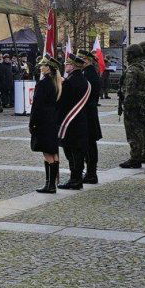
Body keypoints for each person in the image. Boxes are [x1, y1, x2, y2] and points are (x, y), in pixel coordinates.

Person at [57, 54, 92, 190]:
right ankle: (76, 178)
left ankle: (75, 180)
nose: (65, 66)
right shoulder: (83, 80)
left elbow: (62, 102)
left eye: (67, 64)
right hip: (81, 119)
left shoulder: (69, 81)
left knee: (72, 152)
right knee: (78, 151)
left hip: (70, 121)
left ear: (73, 66)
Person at [31, 56, 63, 193]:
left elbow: (37, 106)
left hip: (43, 121)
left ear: (48, 68)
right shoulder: (55, 83)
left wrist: (32, 123)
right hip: (52, 120)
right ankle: (51, 184)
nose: (40, 67)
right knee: (53, 152)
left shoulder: (43, 83)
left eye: (43, 66)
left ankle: (49, 185)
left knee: (47, 152)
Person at [118, 44, 145, 168]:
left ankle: (135, 158)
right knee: (140, 130)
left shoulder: (132, 69)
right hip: (141, 102)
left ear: (132, 55)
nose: (126, 56)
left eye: (127, 54)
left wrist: (126, 104)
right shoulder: (143, 67)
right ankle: (138, 156)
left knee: (133, 132)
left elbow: (130, 90)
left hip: (133, 104)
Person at [78, 49, 103, 184]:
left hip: (88, 113)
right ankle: (90, 172)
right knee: (88, 144)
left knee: (89, 144)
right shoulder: (88, 72)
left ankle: (91, 173)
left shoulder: (89, 74)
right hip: (88, 112)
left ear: (87, 60)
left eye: (80, 59)